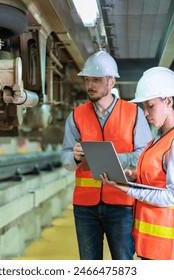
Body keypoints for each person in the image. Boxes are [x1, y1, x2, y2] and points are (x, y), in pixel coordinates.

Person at [101, 66, 174, 260]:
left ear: (168, 101)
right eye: (144, 107)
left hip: (170, 251)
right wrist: (134, 176)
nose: (145, 113)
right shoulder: (158, 140)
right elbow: (158, 179)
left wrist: (127, 188)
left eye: (150, 106)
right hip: (155, 247)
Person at [60, 50, 152, 260]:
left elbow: (144, 156)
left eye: (96, 80)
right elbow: (65, 157)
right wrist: (73, 158)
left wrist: (114, 159)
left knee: (122, 263)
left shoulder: (133, 113)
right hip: (85, 208)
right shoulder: (76, 115)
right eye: (87, 80)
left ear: (111, 82)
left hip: (121, 204)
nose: (90, 85)